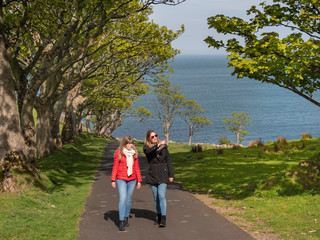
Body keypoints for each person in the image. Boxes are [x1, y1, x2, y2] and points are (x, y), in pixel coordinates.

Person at [143, 130, 174, 227]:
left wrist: (171, 175)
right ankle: (159, 215)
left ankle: (163, 218)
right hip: (152, 174)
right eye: (152, 136)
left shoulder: (164, 147)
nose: (155, 137)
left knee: (161, 195)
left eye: (156, 135)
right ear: (149, 138)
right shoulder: (146, 148)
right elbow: (149, 152)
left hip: (162, 174)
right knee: (156, 197)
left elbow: (168, 161)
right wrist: (158, 145)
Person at [111, 136, 142, 231]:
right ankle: (121, 221)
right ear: (124, 144)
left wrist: (139, 180)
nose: (130, 145)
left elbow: (136, 167)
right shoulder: (119, 153)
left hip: (132, 179)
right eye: (128, 143)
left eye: (131, 143)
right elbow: (115, 166)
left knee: (128, 200)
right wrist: (113, 179)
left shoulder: (134, 153)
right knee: (123, 199)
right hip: (121, 179)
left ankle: (126, 218)